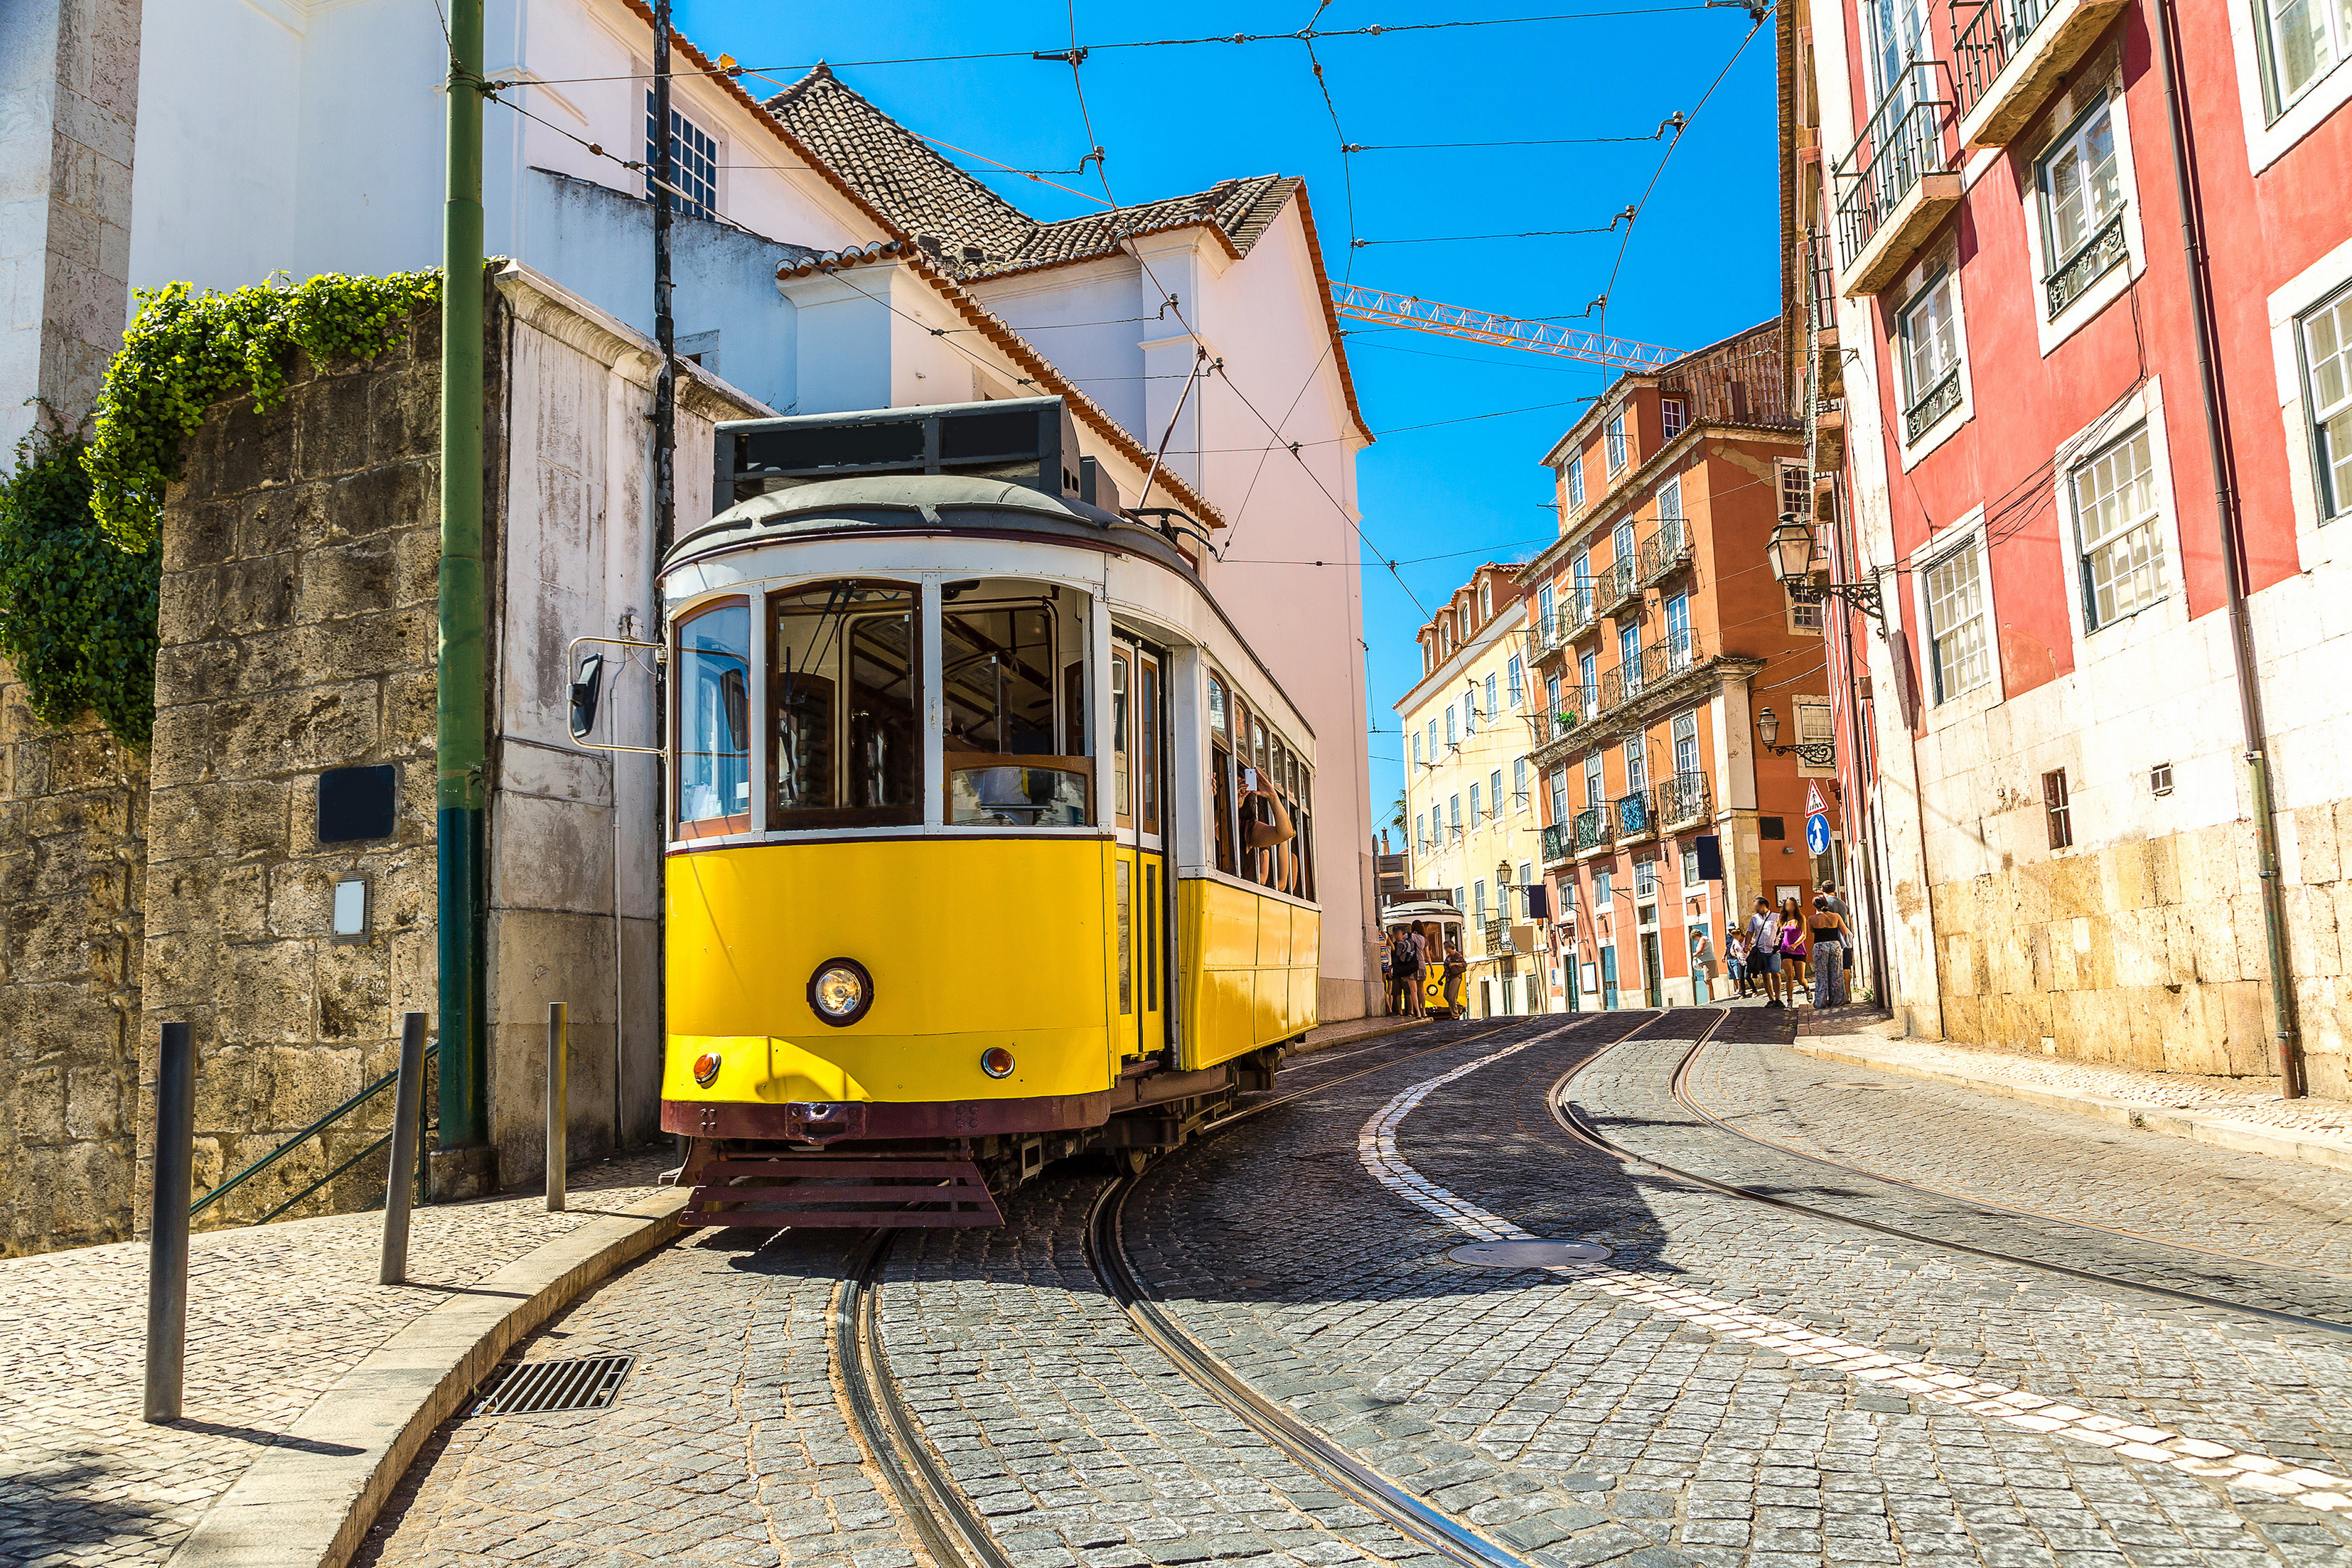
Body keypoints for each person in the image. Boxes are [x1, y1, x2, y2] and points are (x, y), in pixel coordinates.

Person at [1808, 893, 1849, 1008]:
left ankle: (1821, 1001)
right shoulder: (1836, 916)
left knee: (1821, 974)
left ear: (1815, 906)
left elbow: (1812, 930)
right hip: (1834, 945)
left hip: (1820, 946)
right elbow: (1845, 931)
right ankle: (1837, 1000)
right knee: (1836, 973)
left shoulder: (1811, 918)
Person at [1746, 898, 1782, 1007]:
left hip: (1774, 950)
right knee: (1765, 975)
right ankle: (1771, 999)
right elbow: (1750, 932)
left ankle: (1778, 999)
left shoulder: (1776, 917)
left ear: (1763, 905)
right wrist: (1746, 945)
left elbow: (1782, 931)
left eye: (1756, 905)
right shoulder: (1754, 918)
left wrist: (1779, 944)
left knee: (1776, 973)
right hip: (1761, 950)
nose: (1754, 907)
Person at [1777, 897, 1810, 1005]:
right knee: (1789, 975)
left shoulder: (1801, 918)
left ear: (1795, 906)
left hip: (1799, 949)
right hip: (1785, 949)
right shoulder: (1782, 919)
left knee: (1800, 978)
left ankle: (1807, 988)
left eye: (1791, 904)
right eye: (1787, 905)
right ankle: (1790, 1000)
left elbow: (1804, 934)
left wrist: (1795, 944)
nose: (1789, 907)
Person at [1442, 938, 1468, 1019]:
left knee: (1452, 996)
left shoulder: (1457, 955)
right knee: (1446, 995)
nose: (1445, 949)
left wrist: (1455, 964)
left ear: (1450, 947)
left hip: (1456, 977)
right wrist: (1441, 979)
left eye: (1446, 947)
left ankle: (1455, 1015)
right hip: (1448, 978)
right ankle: (1460, 1007)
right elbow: (1446, 970)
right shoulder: (1448, 957)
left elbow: (1464, 964)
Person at [1689, 926, 1717, 1002]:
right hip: (1705, 961)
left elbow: (1701, 950)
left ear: (1696, 936)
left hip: (1708, 961)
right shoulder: (1703, 939)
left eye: (1694, 938)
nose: (1695, 940)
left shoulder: (1703, 939)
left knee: (1707, 979)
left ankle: (1710, 998)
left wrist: (1693, 954)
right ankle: (1711, 997)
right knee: (1707, 980)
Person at [1726, 929, 1749, 997]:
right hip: (1740, 960)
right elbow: (1731, 949)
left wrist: (1750, 948)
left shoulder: (1747, 939)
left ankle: (1754, 991)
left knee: (1747, 976)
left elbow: (1755, 945)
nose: (1735, 938)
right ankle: (1743, 994)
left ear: (1740, 934)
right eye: (1734, 937)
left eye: (1736, 937)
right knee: (1741, 978)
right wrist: (1732, 953)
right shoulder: (1735, 941)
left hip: (1748, 960)